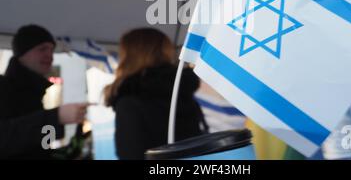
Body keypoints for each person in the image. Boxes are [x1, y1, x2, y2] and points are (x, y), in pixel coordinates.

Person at [104, 28, 207, 159]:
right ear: (164, 52)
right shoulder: (179, 90)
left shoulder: (129, 100)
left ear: (128, 56)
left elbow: (129, 154)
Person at [0, 24, 88, 159]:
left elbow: (42, 146)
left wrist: (73, 146)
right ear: (22, 53)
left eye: (52, 50)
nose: (50, 56)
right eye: (42, 49)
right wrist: (56, 117)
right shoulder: (4, 87)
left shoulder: (36, 94)